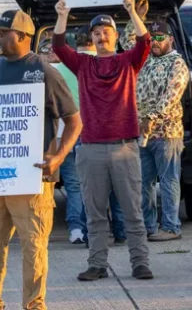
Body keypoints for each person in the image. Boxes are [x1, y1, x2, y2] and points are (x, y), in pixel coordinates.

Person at [0, 10, 82, 310]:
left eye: (2, 31)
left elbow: (74, 121)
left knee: (33, 251)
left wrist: (58, 156)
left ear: (22, 36)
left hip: (31, 179)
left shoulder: (44, 71)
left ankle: (34, 306)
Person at [53, 0, 154, 282]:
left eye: (106, 31)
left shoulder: (127, 62)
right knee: (95, 213)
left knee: (133, 212)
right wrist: (62, 15)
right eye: (96, 33)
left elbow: (145, 42)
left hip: (125, 147)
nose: (100, 37)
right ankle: (97, 264)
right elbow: (59, 47)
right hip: (92, 148)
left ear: (115, 35)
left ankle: (140, 263)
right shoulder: (84, 65)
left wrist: (132, 11)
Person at [41, 32, 126, 246]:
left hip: (64, 135)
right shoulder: (105, 66)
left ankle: (76, 229)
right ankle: (119, 229)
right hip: (98, 134)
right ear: (94, 41)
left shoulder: (57, 69)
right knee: (112, 185)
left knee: (75, 185)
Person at [121, 19, 190, 242]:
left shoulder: (177, 63)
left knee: (168, 180)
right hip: (141, 133)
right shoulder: (145, 59)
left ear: (170, 39)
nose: (155, 42)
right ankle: (149, 226)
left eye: (160, 38)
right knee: (143, 182)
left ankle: (171, 227)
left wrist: (151, 118)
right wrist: (135, 17)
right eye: (151, 39)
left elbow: (172, 96)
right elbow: (126, 41)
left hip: (167, 133)